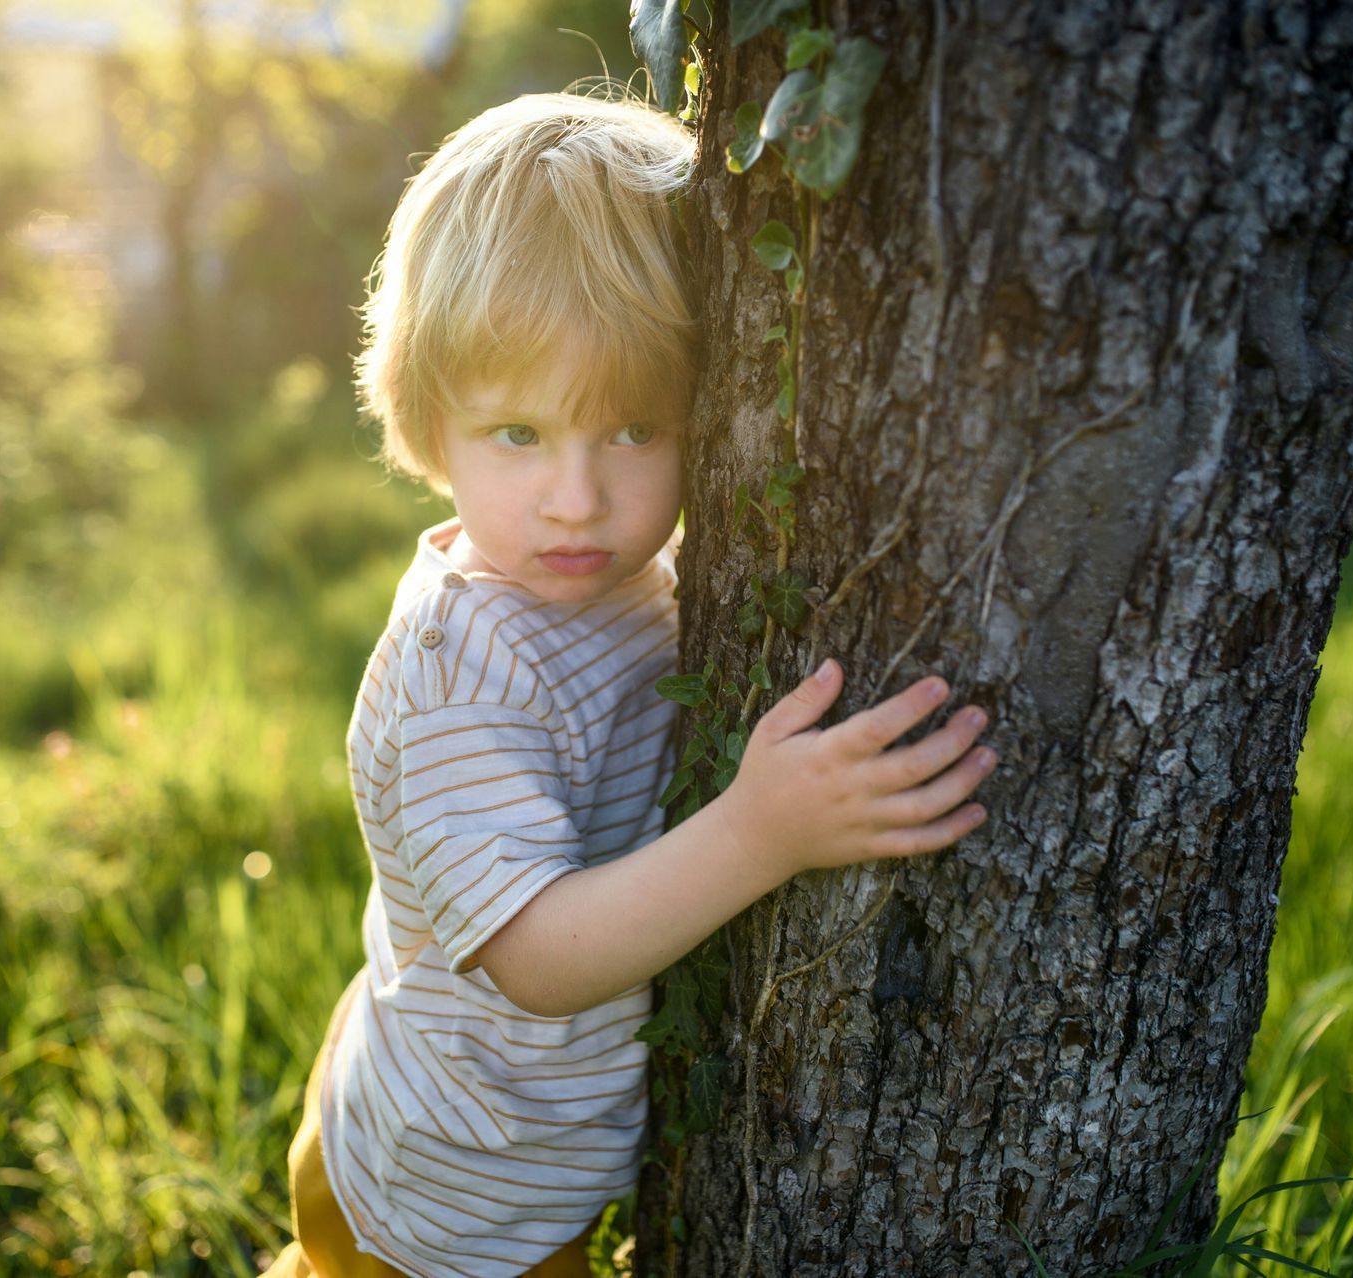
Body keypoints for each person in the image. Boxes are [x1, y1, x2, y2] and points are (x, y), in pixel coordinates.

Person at [267, 88, 1001, 1278]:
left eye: (630, 430)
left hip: (489, 1136)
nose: (575, 498)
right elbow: (539, 956)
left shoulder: (621, 576)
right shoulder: (468, 671)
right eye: (517, 434)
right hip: (452, 1204)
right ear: (429, 421)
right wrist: (763, 832)